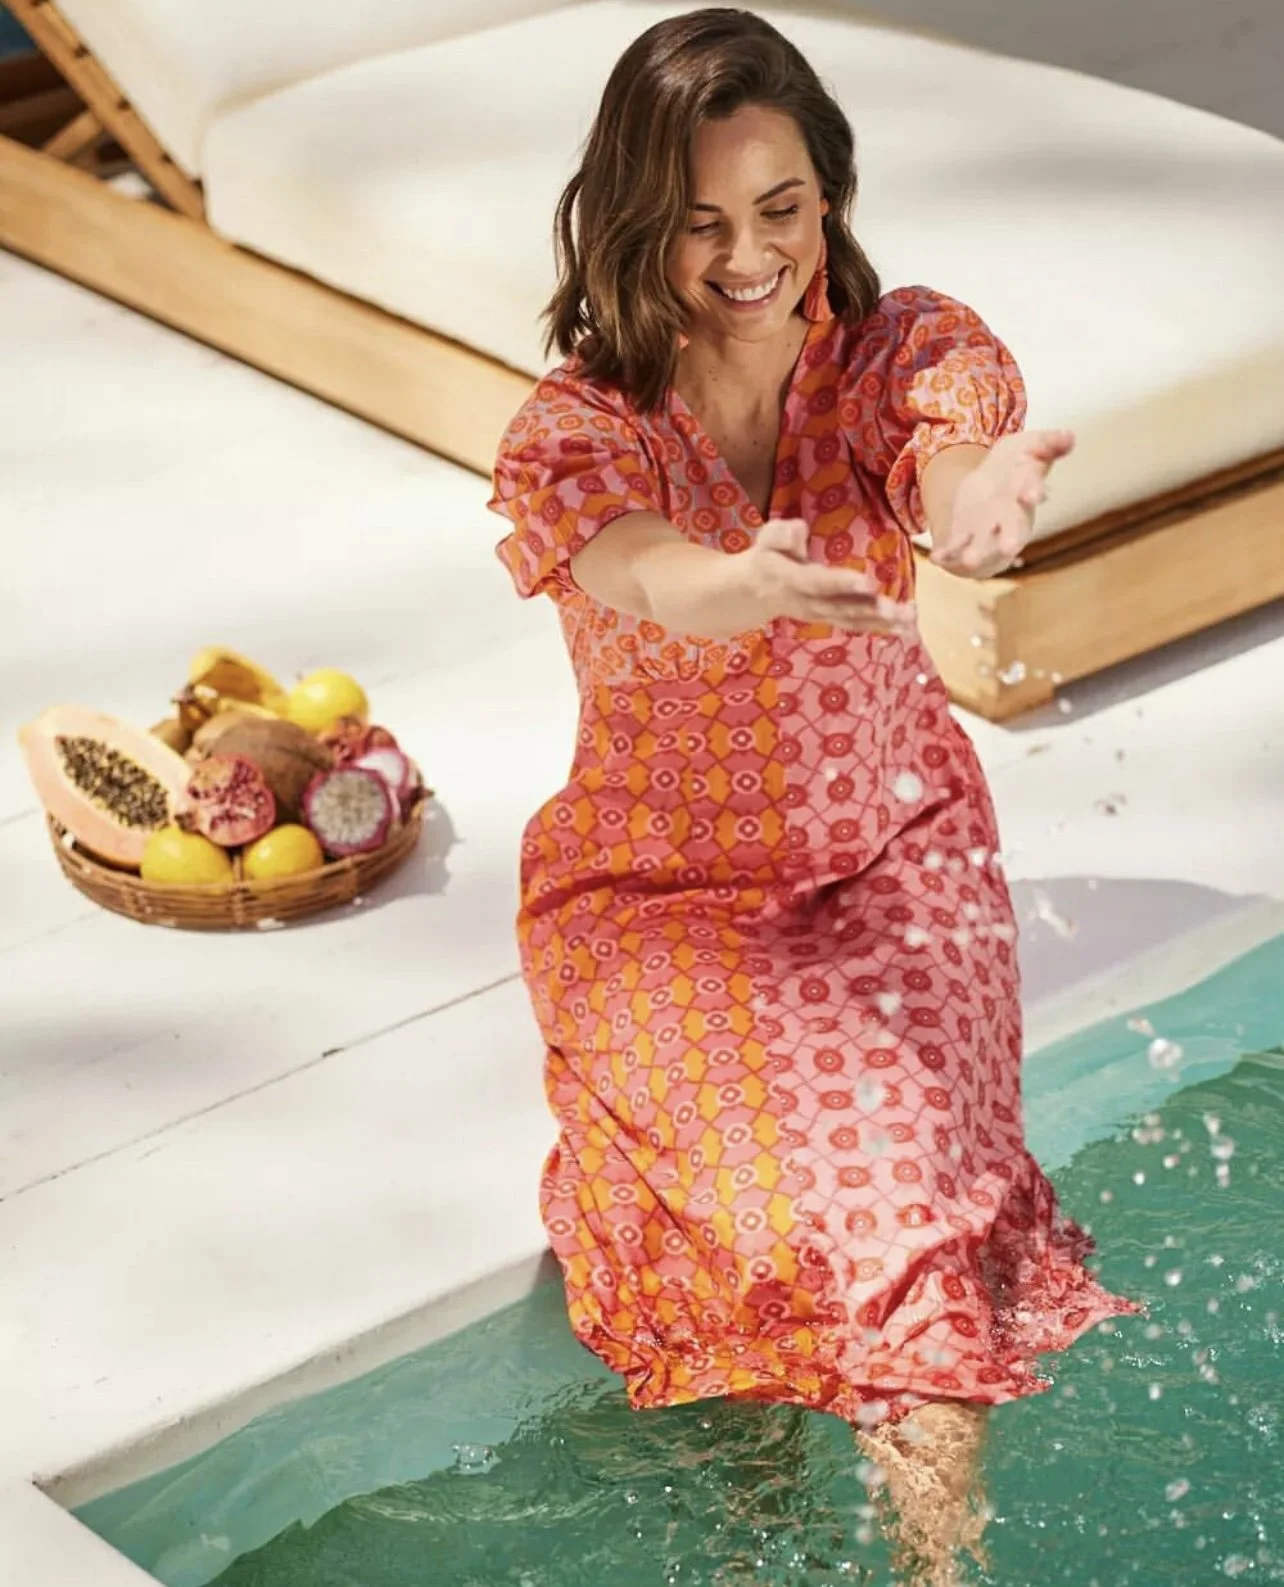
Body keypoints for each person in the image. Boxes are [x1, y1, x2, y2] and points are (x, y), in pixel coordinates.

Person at [488, 8, 1138, 1581]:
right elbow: (651, 575)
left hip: (897, 853)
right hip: (664, 904)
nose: (747, 256)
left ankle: (936, 1572)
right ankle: (761, 1536)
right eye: (699, 221)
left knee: (909, 1235)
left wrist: (979, 513)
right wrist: (741, 579)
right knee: (750, 1245)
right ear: (631, 220)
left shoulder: (901, 351)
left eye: (780, 208)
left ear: (827, 195)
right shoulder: (577, 431)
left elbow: (950, 472)